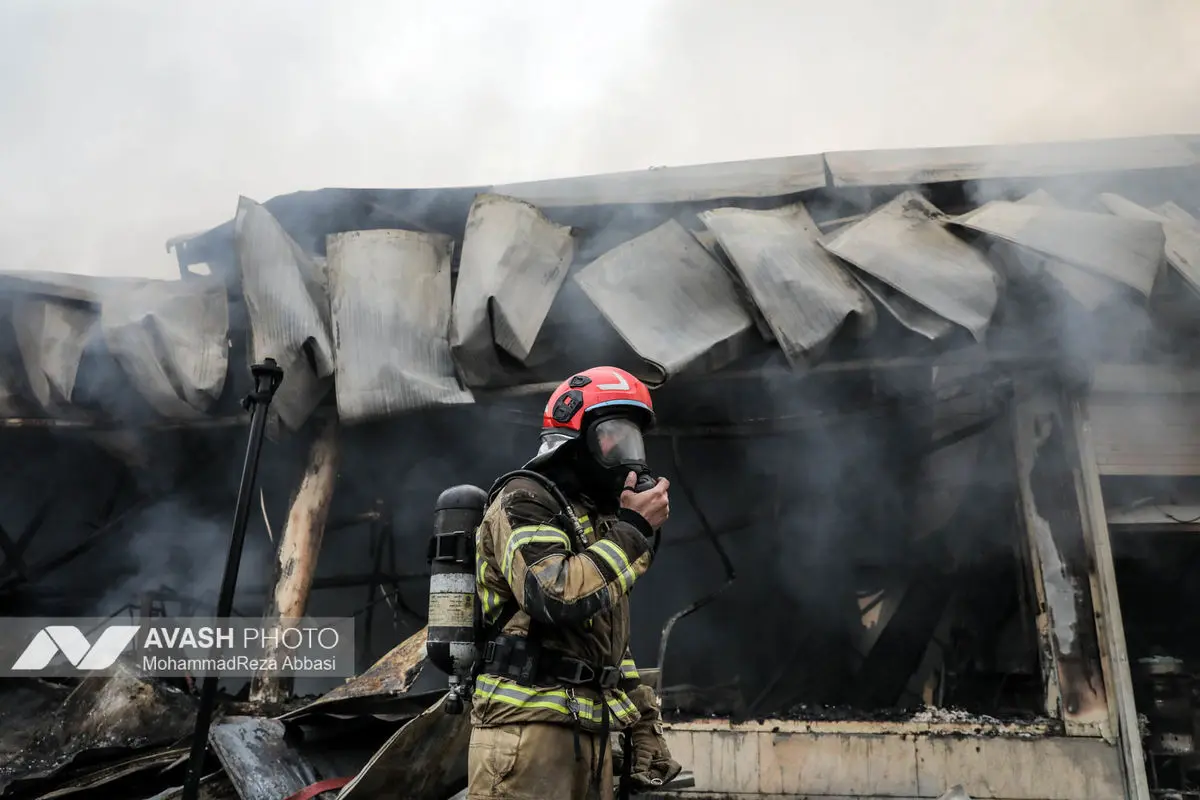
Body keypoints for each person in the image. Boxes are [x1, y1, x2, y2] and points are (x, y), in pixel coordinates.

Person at [467, 366, 683, 800]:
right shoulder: (526, 500)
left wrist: (642, 722)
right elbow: (554, 595)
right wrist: (633, 528)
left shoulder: (596, 520)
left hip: (591, 733)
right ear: (575, 441)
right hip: (525, 734)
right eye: (614, 436)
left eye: (633, 439)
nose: (627, 454)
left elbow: (608, 642)